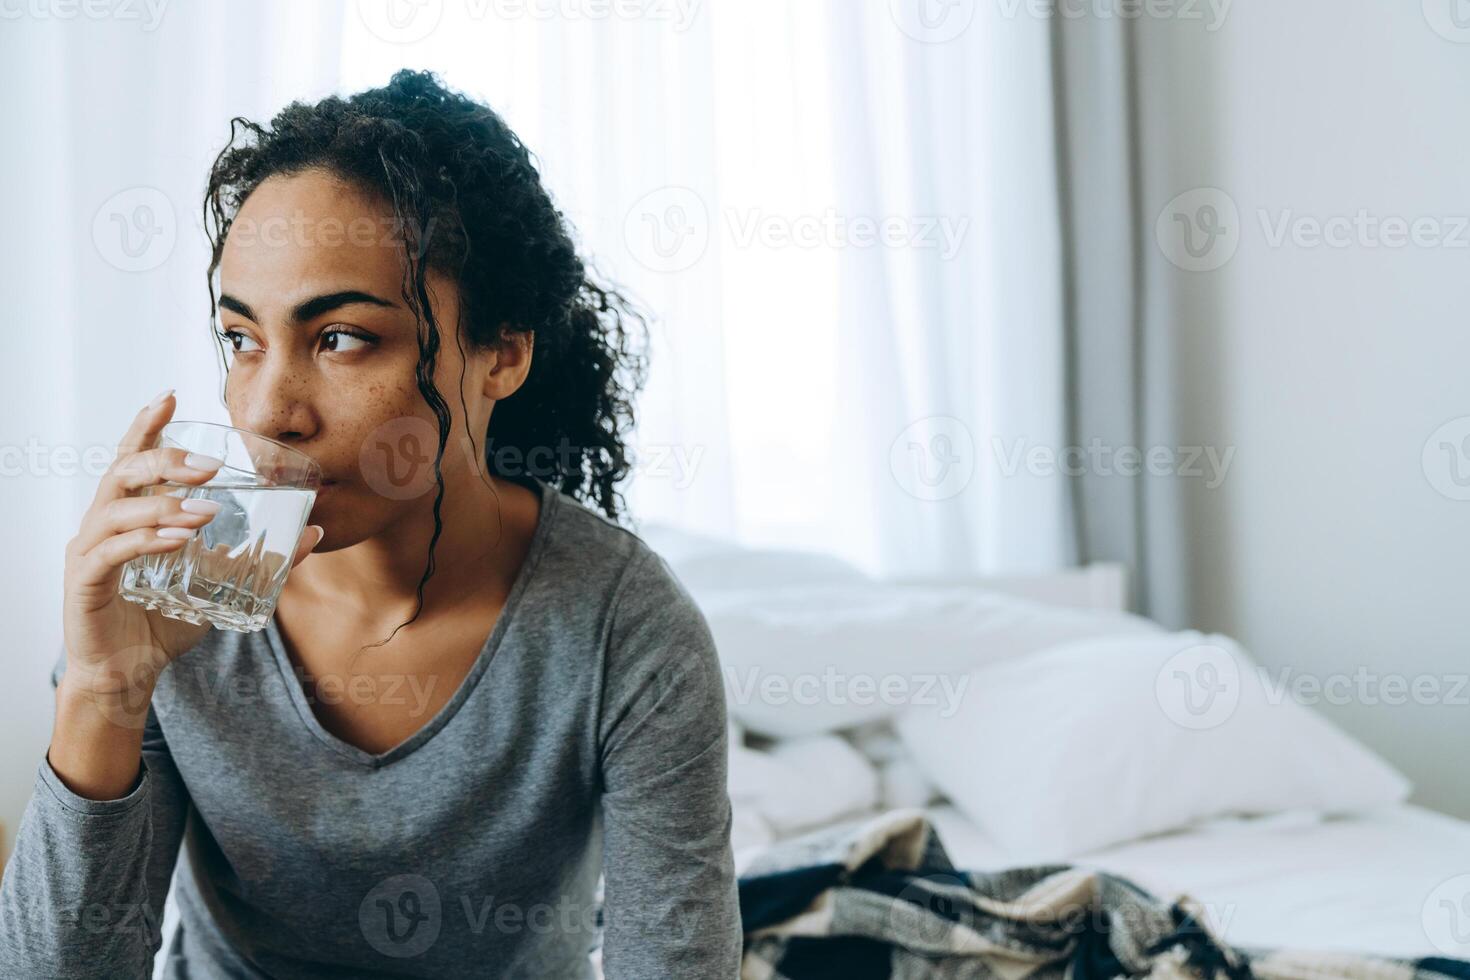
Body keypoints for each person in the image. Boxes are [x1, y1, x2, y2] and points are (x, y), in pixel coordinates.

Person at [0, 69, 742, 979]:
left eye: (341, 336)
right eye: (242, 339)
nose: (269, 411)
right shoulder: (178, 598)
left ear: (501, 354)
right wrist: (102, 691)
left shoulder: (624, 628)